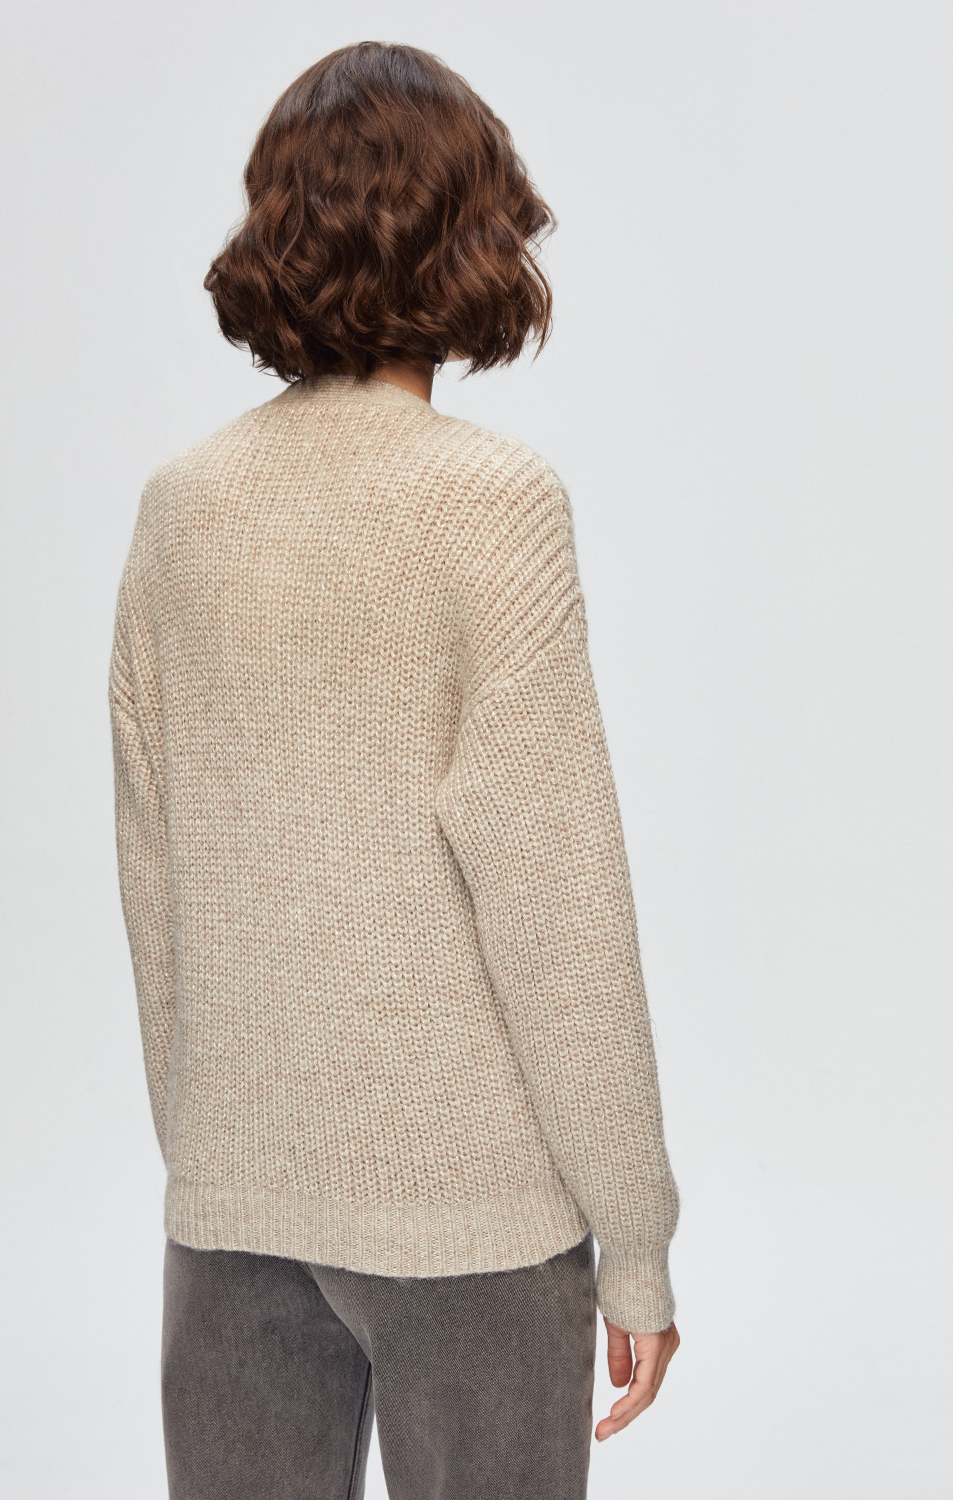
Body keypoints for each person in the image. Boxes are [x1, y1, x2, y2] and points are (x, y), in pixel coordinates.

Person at [109, 40, 680, 1500]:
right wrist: (636, 1238)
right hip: (468, 1215)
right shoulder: (491, 504)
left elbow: (152, 870)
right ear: (475, 236)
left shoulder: (182, 508)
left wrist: (214, 1142)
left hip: (233, 1202)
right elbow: (556, 895)